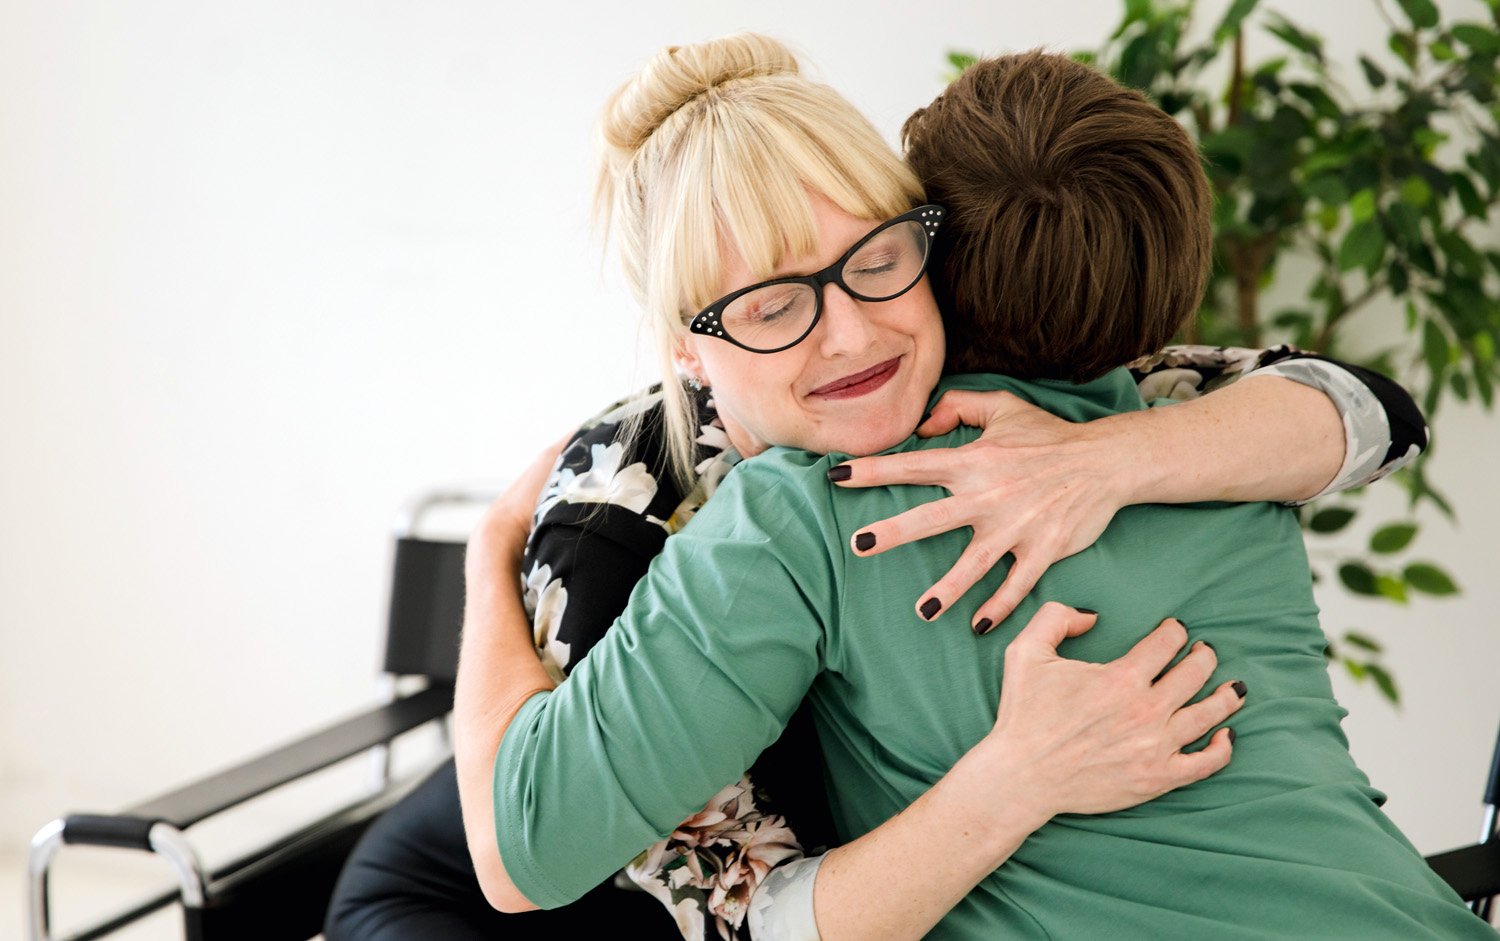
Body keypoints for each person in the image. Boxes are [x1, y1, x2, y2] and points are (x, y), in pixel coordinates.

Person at [327, 36, 1433, 941]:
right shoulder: (625, 507)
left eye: (878, 258)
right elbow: (530, 860)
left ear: (937, 248)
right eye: (771, 303)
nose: (852, 330)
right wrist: (485, 558)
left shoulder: (1146, 400)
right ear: (691, 349)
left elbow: (1371, 411)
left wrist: (1104, 462)